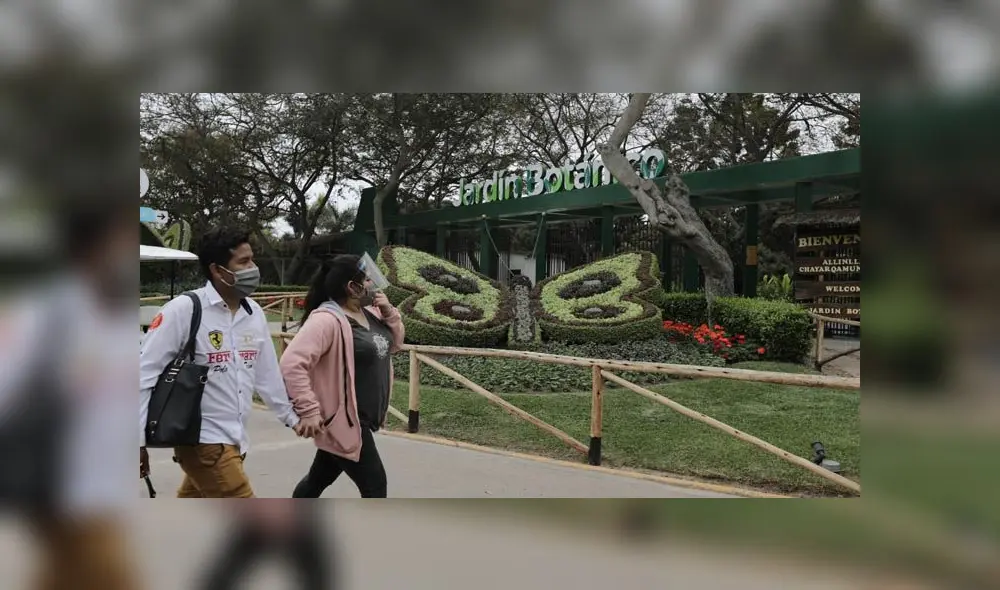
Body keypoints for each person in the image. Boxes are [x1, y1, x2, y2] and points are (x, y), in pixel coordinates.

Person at [139, 226, 324, 498]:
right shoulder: (185, 310)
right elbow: (144, 375)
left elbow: (267, 375)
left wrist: (292, 416)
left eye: (252, 259)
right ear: (217, 270)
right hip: (201, 439)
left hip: (236, 439)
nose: (253, 268)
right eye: (244, 261)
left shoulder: (254, 313)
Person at [280, 254, 404, 498]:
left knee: (316, 480)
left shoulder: (370, 313)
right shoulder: (327, 320)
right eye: (367, 280)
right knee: (375, 487)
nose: (373, 285)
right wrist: (308, 410)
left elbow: (395, 344)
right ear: (352, 287)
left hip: (362, 418)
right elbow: (291, 364)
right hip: (345, 420)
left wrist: (389, 312)